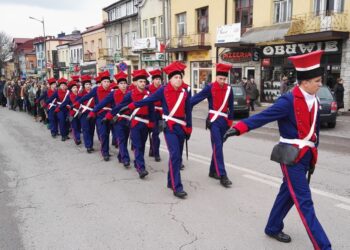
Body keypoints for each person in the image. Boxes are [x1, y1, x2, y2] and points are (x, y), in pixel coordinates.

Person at [224, 50, 331, 249]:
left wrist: (314, 155)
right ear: (305, 82)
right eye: (317, 80)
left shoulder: (314, 100)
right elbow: (262, 117)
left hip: (306, 157)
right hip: (292, 158)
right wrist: (237, 128)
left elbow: (314, 133)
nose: (320, 84)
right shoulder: (287, 101)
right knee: (305, 203)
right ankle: (324, 246)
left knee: (287, 194)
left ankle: (272, 227)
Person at [112, 62, 192, 198]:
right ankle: (177, 186)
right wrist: (130, 106)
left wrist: (189, 128)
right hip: (169, 127)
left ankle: (170, 181)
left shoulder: (185, 93)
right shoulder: (163, 90)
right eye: (175, 77)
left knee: (177, 156)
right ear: (170, 79)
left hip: (181, 126)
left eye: (180, 77)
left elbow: (188, 111)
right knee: (174, 155)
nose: (178, 80)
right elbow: (148, 100)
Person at [190, 63, 234, 187]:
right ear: (216, 77)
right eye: (220, 79)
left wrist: (230, 121)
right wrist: (185, 105)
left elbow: (231, 106)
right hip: (213, 121)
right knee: (218, 146)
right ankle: (222, 175)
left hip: (224, 122)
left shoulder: (229, 89)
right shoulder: (209, 87)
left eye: (224, 79)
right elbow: (196, 98)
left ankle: (212, 171)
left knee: (217, 147)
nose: (222, 81)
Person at [107, 69, 154, 179]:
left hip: (146, 123)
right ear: (136, 83)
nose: (143, 83)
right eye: (140, 81)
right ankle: (141, 168)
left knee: (142, 145)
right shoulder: (130, 94)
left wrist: (152, 123)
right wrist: (109, 115)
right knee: (137, 145)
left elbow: (151, 110)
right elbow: (120, 106)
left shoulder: (149, 94)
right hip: (135, 123)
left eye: (144, 81)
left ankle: (137, 162)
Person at [92, 71, 131, 166]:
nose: (123, 85)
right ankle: (113, 155)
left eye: (125, 83)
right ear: (117, 85)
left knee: (125, 139)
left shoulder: (130, 93)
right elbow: (103, 103)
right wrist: (93, 111)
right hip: (116, 119)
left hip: (128, 120)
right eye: (121, 83)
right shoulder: (113, 94)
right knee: (111, 136)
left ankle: (120, 156)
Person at [78, 71, 112, 161]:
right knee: (103, 133)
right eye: (105, 81)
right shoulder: (96, 89)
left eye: (108, 81)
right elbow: (88, 96)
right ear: (101, 82)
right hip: (99, 114)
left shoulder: (112, 91)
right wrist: (78, 102)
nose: (106, 83)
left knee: (107, 133)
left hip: (109, 115)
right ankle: (105, 152)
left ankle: (106, 150)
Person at [147, 69, 163, 162]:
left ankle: (152, 148)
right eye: (156, 79)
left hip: (162, 114)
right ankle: (156, 153)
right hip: (152, 114)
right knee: (154, 133)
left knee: (158, 132)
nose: (158, 81)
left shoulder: (163, 88)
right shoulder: (148, 88)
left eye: (159, 79)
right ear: (152, 80)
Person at [78, 75, 96, 153]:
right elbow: (77, 102)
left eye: (89, 84)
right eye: (86, 84)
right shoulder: (81, 93)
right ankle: (88, 146)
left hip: (92, 113)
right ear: (83, 85)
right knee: (86, 129)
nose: (88, 86)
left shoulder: (94, 92)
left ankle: (91, 145)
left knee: (92, 129)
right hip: (84, 113)